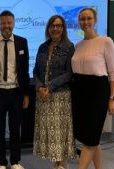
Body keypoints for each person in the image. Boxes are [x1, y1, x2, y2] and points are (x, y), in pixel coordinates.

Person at [71, 8, 114, 169]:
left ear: (95, 20)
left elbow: (113, 73)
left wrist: (112, 99)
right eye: (82, 19)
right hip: (79, 93)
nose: (85, 22)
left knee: (90, 138)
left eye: (89, 18)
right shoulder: (78, 45)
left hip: (97, 93)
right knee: (90, 137)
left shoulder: (106, 41)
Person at [0, 10, 30, 169]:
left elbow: (24, 70)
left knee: (15, 129)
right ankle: (1, 162)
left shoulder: (22, 42)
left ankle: (15, 161)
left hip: (16, 92)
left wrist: (25, 94)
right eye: (3, 23)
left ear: (14, 23)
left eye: (9, 22)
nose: (6, 26)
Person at [33, 15, 76, 169]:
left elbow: (69, 73)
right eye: (52, 25)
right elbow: (36, 71)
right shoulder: (42, 47)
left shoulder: (69, 47)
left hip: (60, 96)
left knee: (59, 134)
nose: (55, 28)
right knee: (51, 136)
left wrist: (49, 86)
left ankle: (62, 165)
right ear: (48, 28)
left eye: (58, 25)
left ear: (63, 28)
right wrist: (39, 87)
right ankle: (57, 165)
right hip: (43, 96)